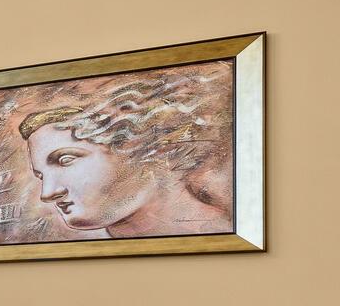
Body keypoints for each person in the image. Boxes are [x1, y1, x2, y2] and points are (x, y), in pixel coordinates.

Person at [17, 67, 234, 239]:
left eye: (65, 160)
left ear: (143, 145)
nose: (47, 193)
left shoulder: (224, 230)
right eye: (41, 176)